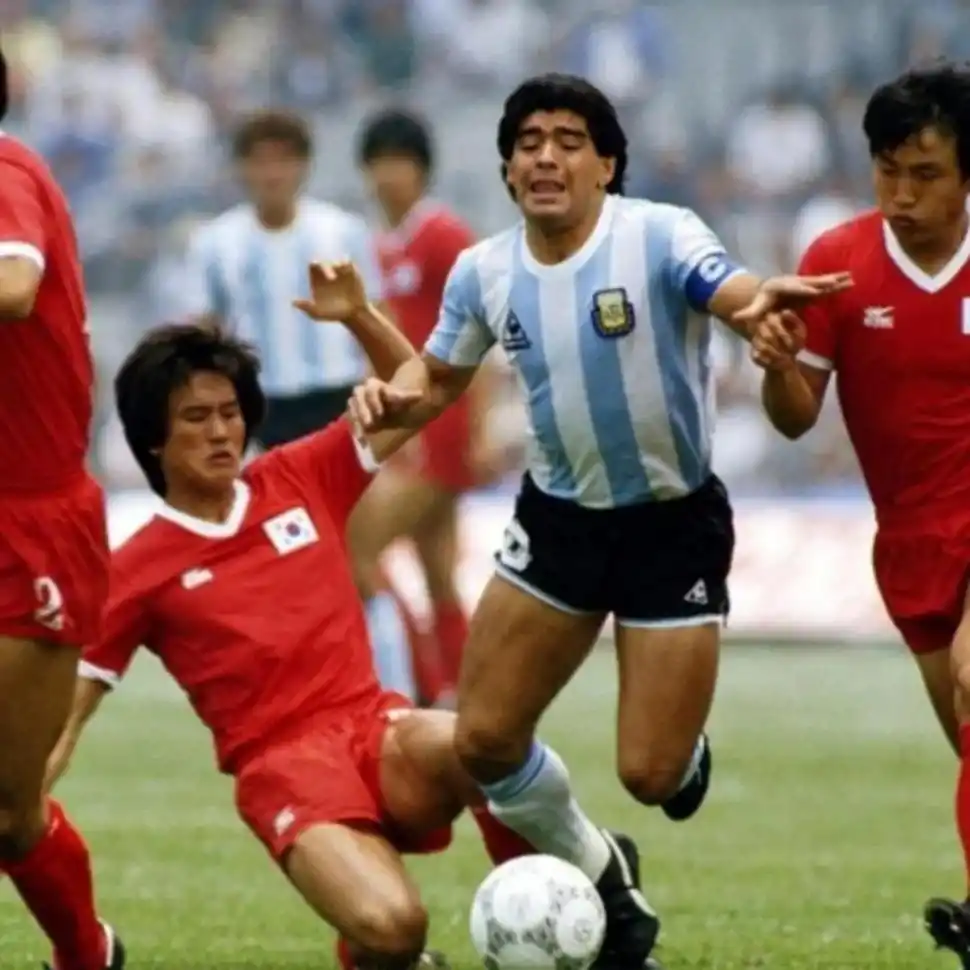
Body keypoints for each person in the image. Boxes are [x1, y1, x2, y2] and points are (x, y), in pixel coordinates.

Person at [333, 73, 851, 965]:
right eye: (528, 141)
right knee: (485, 741)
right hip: (559, 522)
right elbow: (440, 377)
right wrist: (390, 394)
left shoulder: (657, 234)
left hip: (670, 524)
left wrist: (760, 308)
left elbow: (728, 290)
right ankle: (600, 869)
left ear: (607, 163)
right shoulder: (485, 271)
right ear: (505, 169)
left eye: (570, 140)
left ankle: (681, 754)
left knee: (650, 774)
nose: (546, 156)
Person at [46, 269, 647, 970]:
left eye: (230, 411)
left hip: (375, 728)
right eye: (195, 417)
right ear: (153, 438)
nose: (221, 431)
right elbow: (67, 716)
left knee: (485, 743)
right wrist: (19, 806)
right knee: (395, 928)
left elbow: (421, 395)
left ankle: (558, 902)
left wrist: (361, 315)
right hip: (284, 772)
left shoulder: (300, 476)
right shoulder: (135, 568)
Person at [747, 63, 970, 966]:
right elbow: (797, 417)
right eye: (888, 172)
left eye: (925, 174)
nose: (902, 194)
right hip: (912, 540)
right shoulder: (835, 262)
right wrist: (773, 360)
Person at [183, 109, 417, 703]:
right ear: (243, 169)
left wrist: (390, 408)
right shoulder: (217, 244)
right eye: (260, 161)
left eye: (283, 160)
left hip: (336, 405)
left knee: (358, 562)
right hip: (259, 414)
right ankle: (295, 694)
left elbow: (378, 320)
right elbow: (202, 335)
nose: (272, 173)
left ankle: (395, 698)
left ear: (303, 167)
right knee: (272, 567)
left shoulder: (340, 233)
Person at [0, 47, 124, 970]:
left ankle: (89, 955)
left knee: (8, 812)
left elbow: (15, 286)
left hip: (33, 529)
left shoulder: (5, 171)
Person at [353, 108, 506, 707]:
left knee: (356, 550)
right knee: (437, 570)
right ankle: (466, 694)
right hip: (404, 425)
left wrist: (483, 430)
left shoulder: (443, 236)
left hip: (439, 426)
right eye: (380, 163)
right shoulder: (375, 247)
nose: (389, 175)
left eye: (401, 162)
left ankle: (416, 686)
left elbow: (485, 333)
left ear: (421, 171)